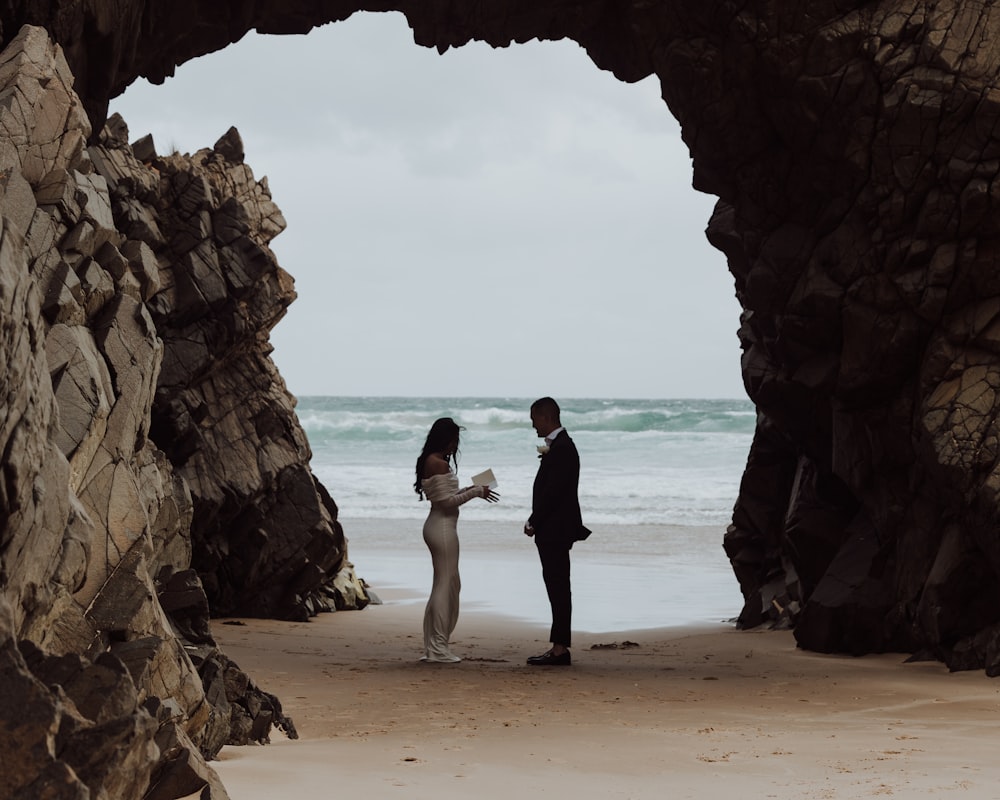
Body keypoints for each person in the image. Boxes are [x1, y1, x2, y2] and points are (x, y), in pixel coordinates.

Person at [414, 417, 499, 663]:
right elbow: (444, 503)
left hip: (440, 526)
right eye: (453, 440)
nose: (454, 446)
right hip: (441, 528)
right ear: (446, 439)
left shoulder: (431, 460)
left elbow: (447, 496)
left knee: (447, 583)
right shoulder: (437, 463)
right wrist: (475, 492)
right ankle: (438, 647)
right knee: (445, 584)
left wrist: (475, 489)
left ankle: (434, 645)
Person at [524, 397, 590, 666]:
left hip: (555, 529)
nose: (532, 426)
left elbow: (553, 493)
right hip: (553, 528)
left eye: (534, 420)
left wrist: (534, 521)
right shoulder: (561, 445)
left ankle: (560, 649)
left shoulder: (562, 448)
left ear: (546, 417)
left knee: (558, 587)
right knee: (557, 586)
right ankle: (559, 646)